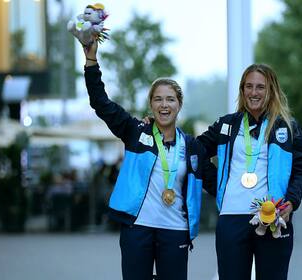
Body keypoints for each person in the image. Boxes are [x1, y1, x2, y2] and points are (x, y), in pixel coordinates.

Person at [83, 40, 216, 280]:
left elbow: (218, 184)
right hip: (137, 229)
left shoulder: (192, 147)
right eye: (158, 99)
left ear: (179, 105)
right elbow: (101, 103)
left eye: (170, 99)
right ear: (151, 104)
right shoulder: (135, 132)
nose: (164, 105)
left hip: (176, 230)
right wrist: (91, 61)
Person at [197, 64, 302, 280]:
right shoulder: (227, 124)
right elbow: (195, 151)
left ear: (271, 90)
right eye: (249, 86)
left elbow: (299, 169)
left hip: (273, 217)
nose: (254, 92)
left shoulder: (287, 126)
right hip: (232, 217)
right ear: (242, 90)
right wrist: (220, 186)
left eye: (260, 87)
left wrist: (292, 202)